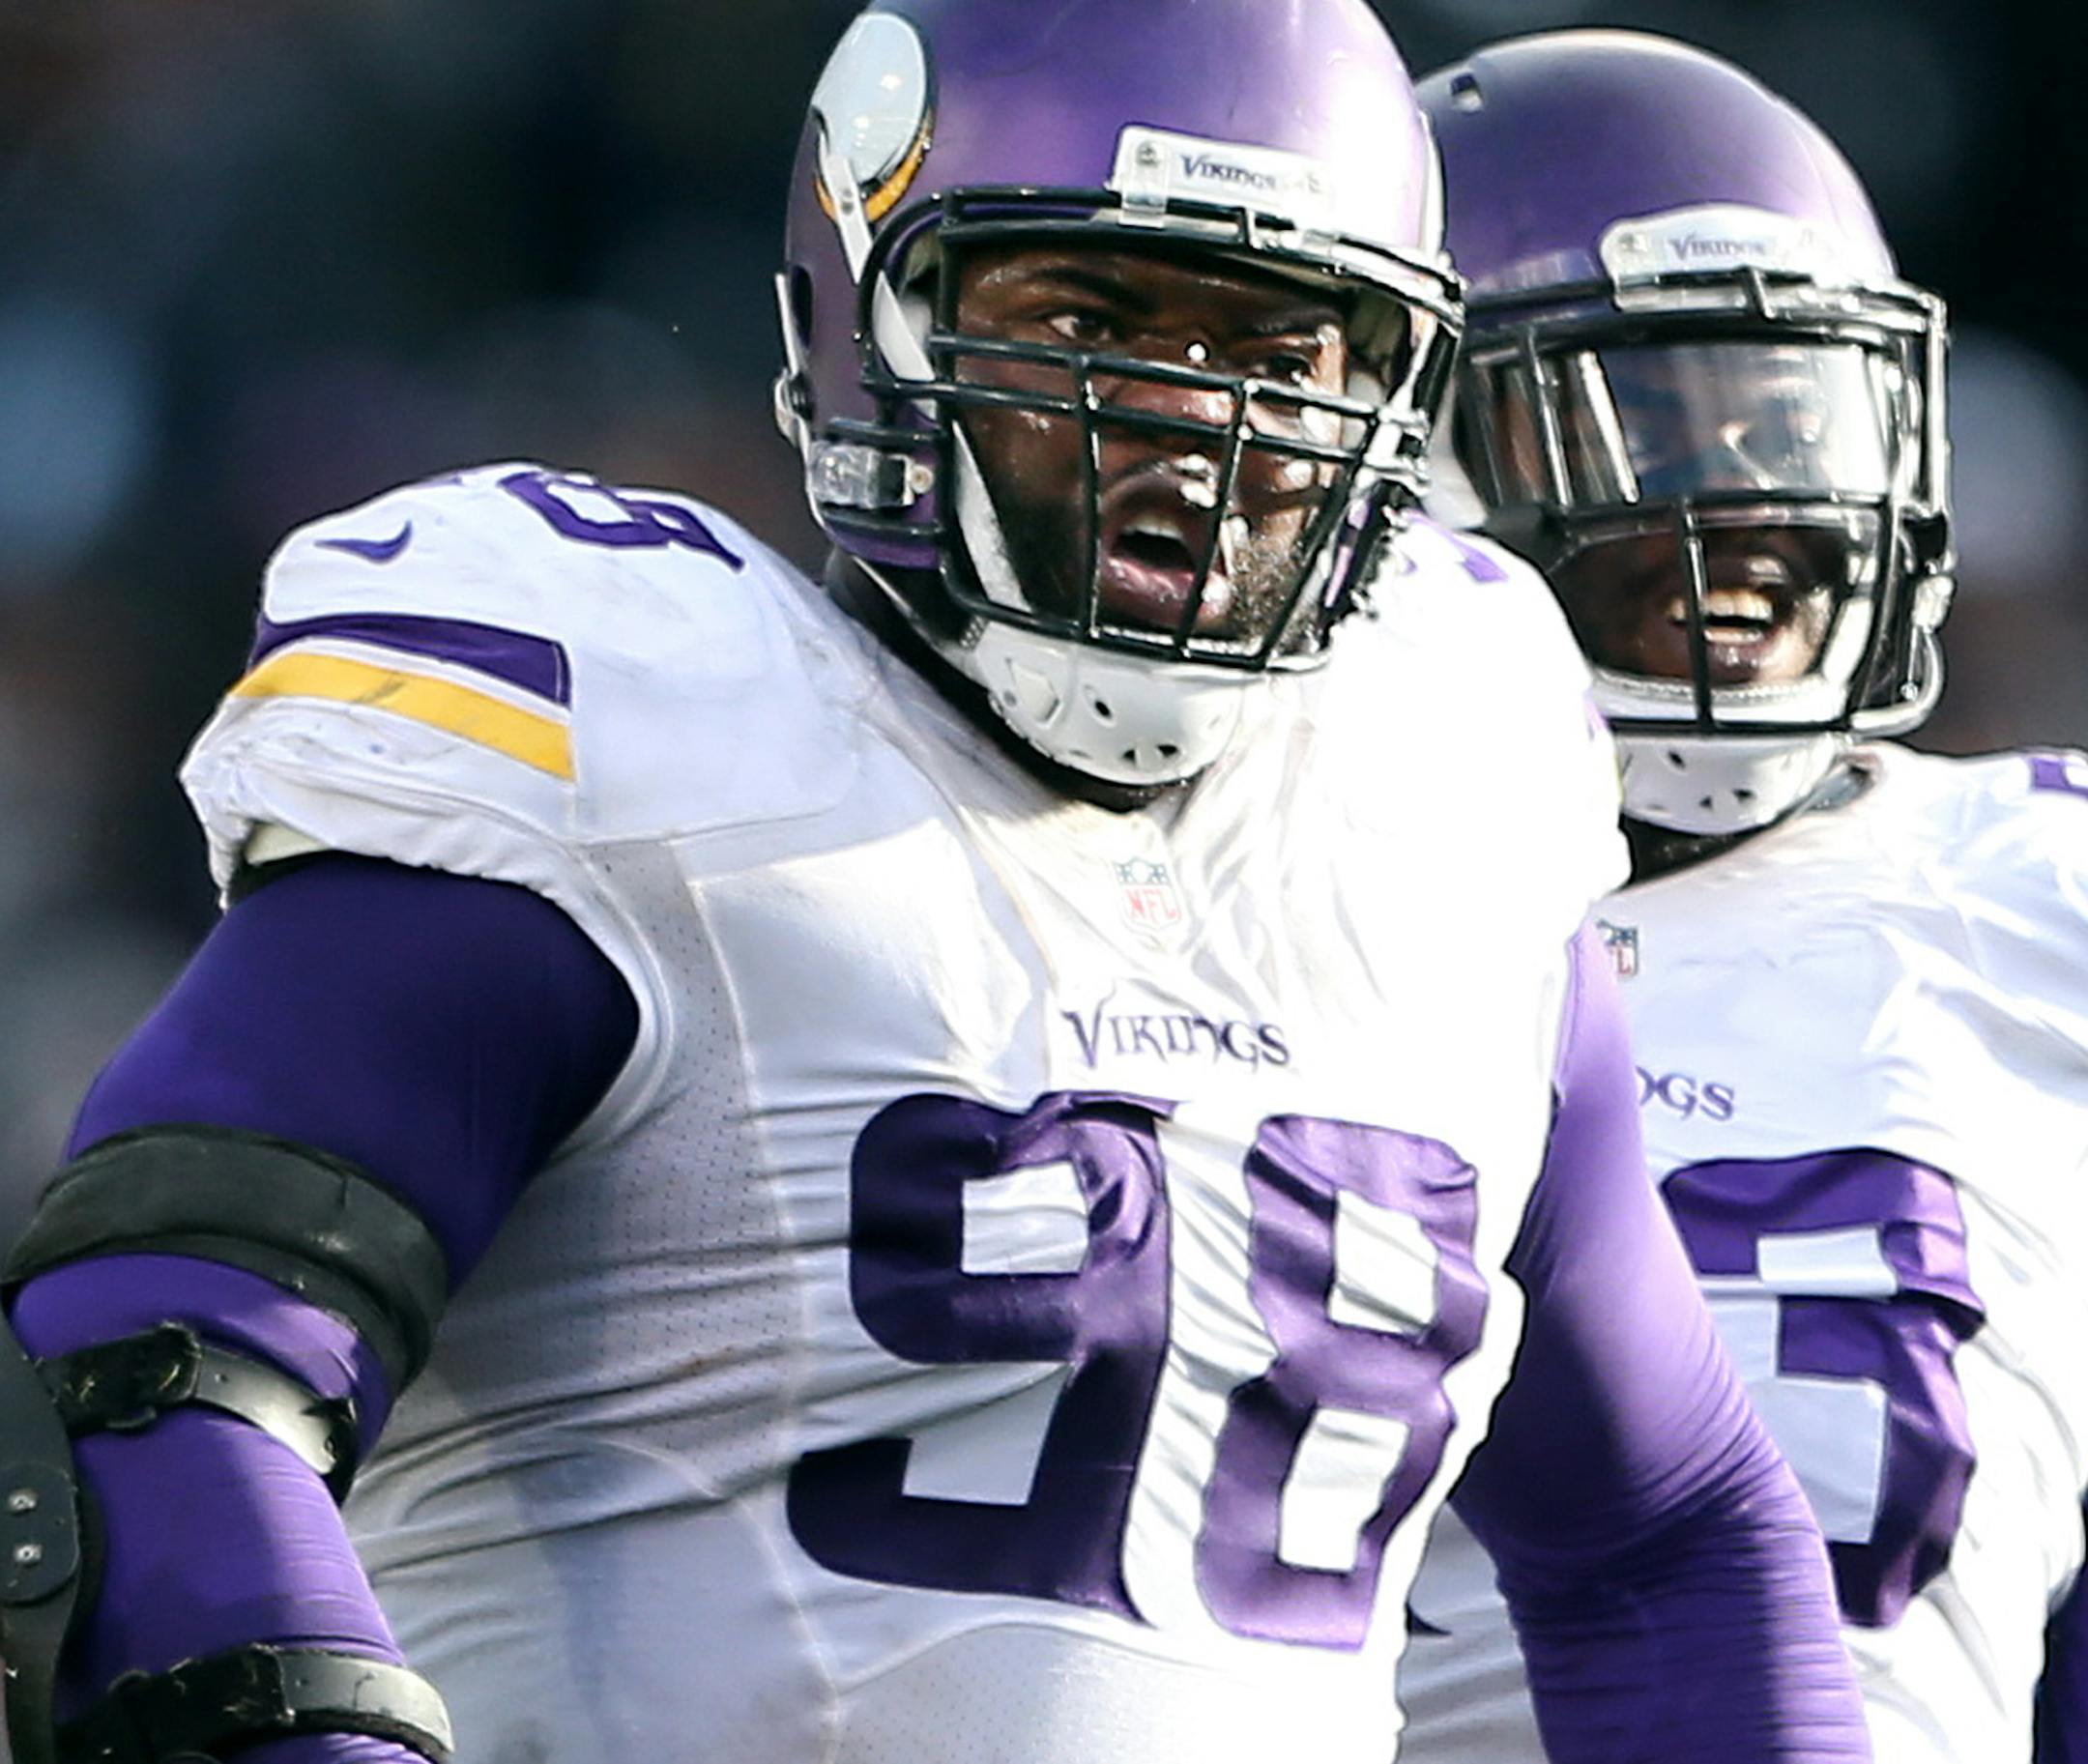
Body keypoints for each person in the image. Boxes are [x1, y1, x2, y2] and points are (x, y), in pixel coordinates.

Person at [0, 5, 1868, 1761]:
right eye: (1093, 318)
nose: (1195, 434)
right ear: (863, 312)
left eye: (1279, 355)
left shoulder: (1451, 788)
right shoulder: (638, 724)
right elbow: (154, 1366)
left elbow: (1666, 1532)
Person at [1399, 28, 2088, 1764]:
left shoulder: (2040, 888)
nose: (1753, 501)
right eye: (1643, 417)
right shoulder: (1234, 880)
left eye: (1786, 410)